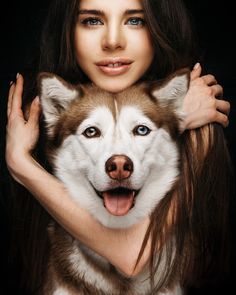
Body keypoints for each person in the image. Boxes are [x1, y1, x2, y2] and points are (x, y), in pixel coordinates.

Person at [5, 0, 232, 294]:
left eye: (135, 20)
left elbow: (131, 257)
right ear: (68, 32)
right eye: (92, 21)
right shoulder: (36, 119)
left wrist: (21, 166)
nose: (113, 41)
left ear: (159, 28)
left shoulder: (197, 119)